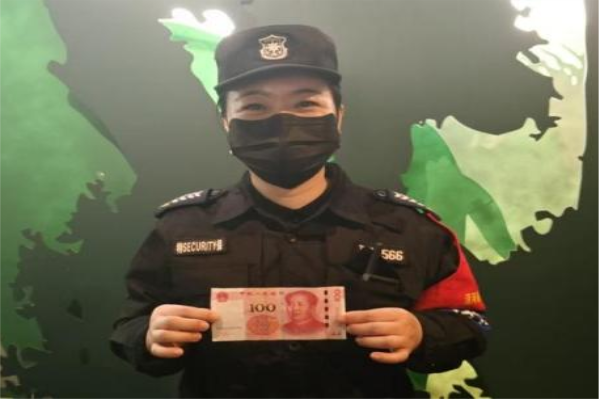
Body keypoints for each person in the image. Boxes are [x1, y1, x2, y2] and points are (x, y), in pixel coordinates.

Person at [111, 24, 490, 399]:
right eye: (255, 106)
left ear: (338, 116)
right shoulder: (180, 228)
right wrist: (149, 335)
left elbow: (470, 324)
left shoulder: (410, 227)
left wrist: (421, 333)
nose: (282, 121)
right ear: (226, 121)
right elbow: (130, 323)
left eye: (306, 103)